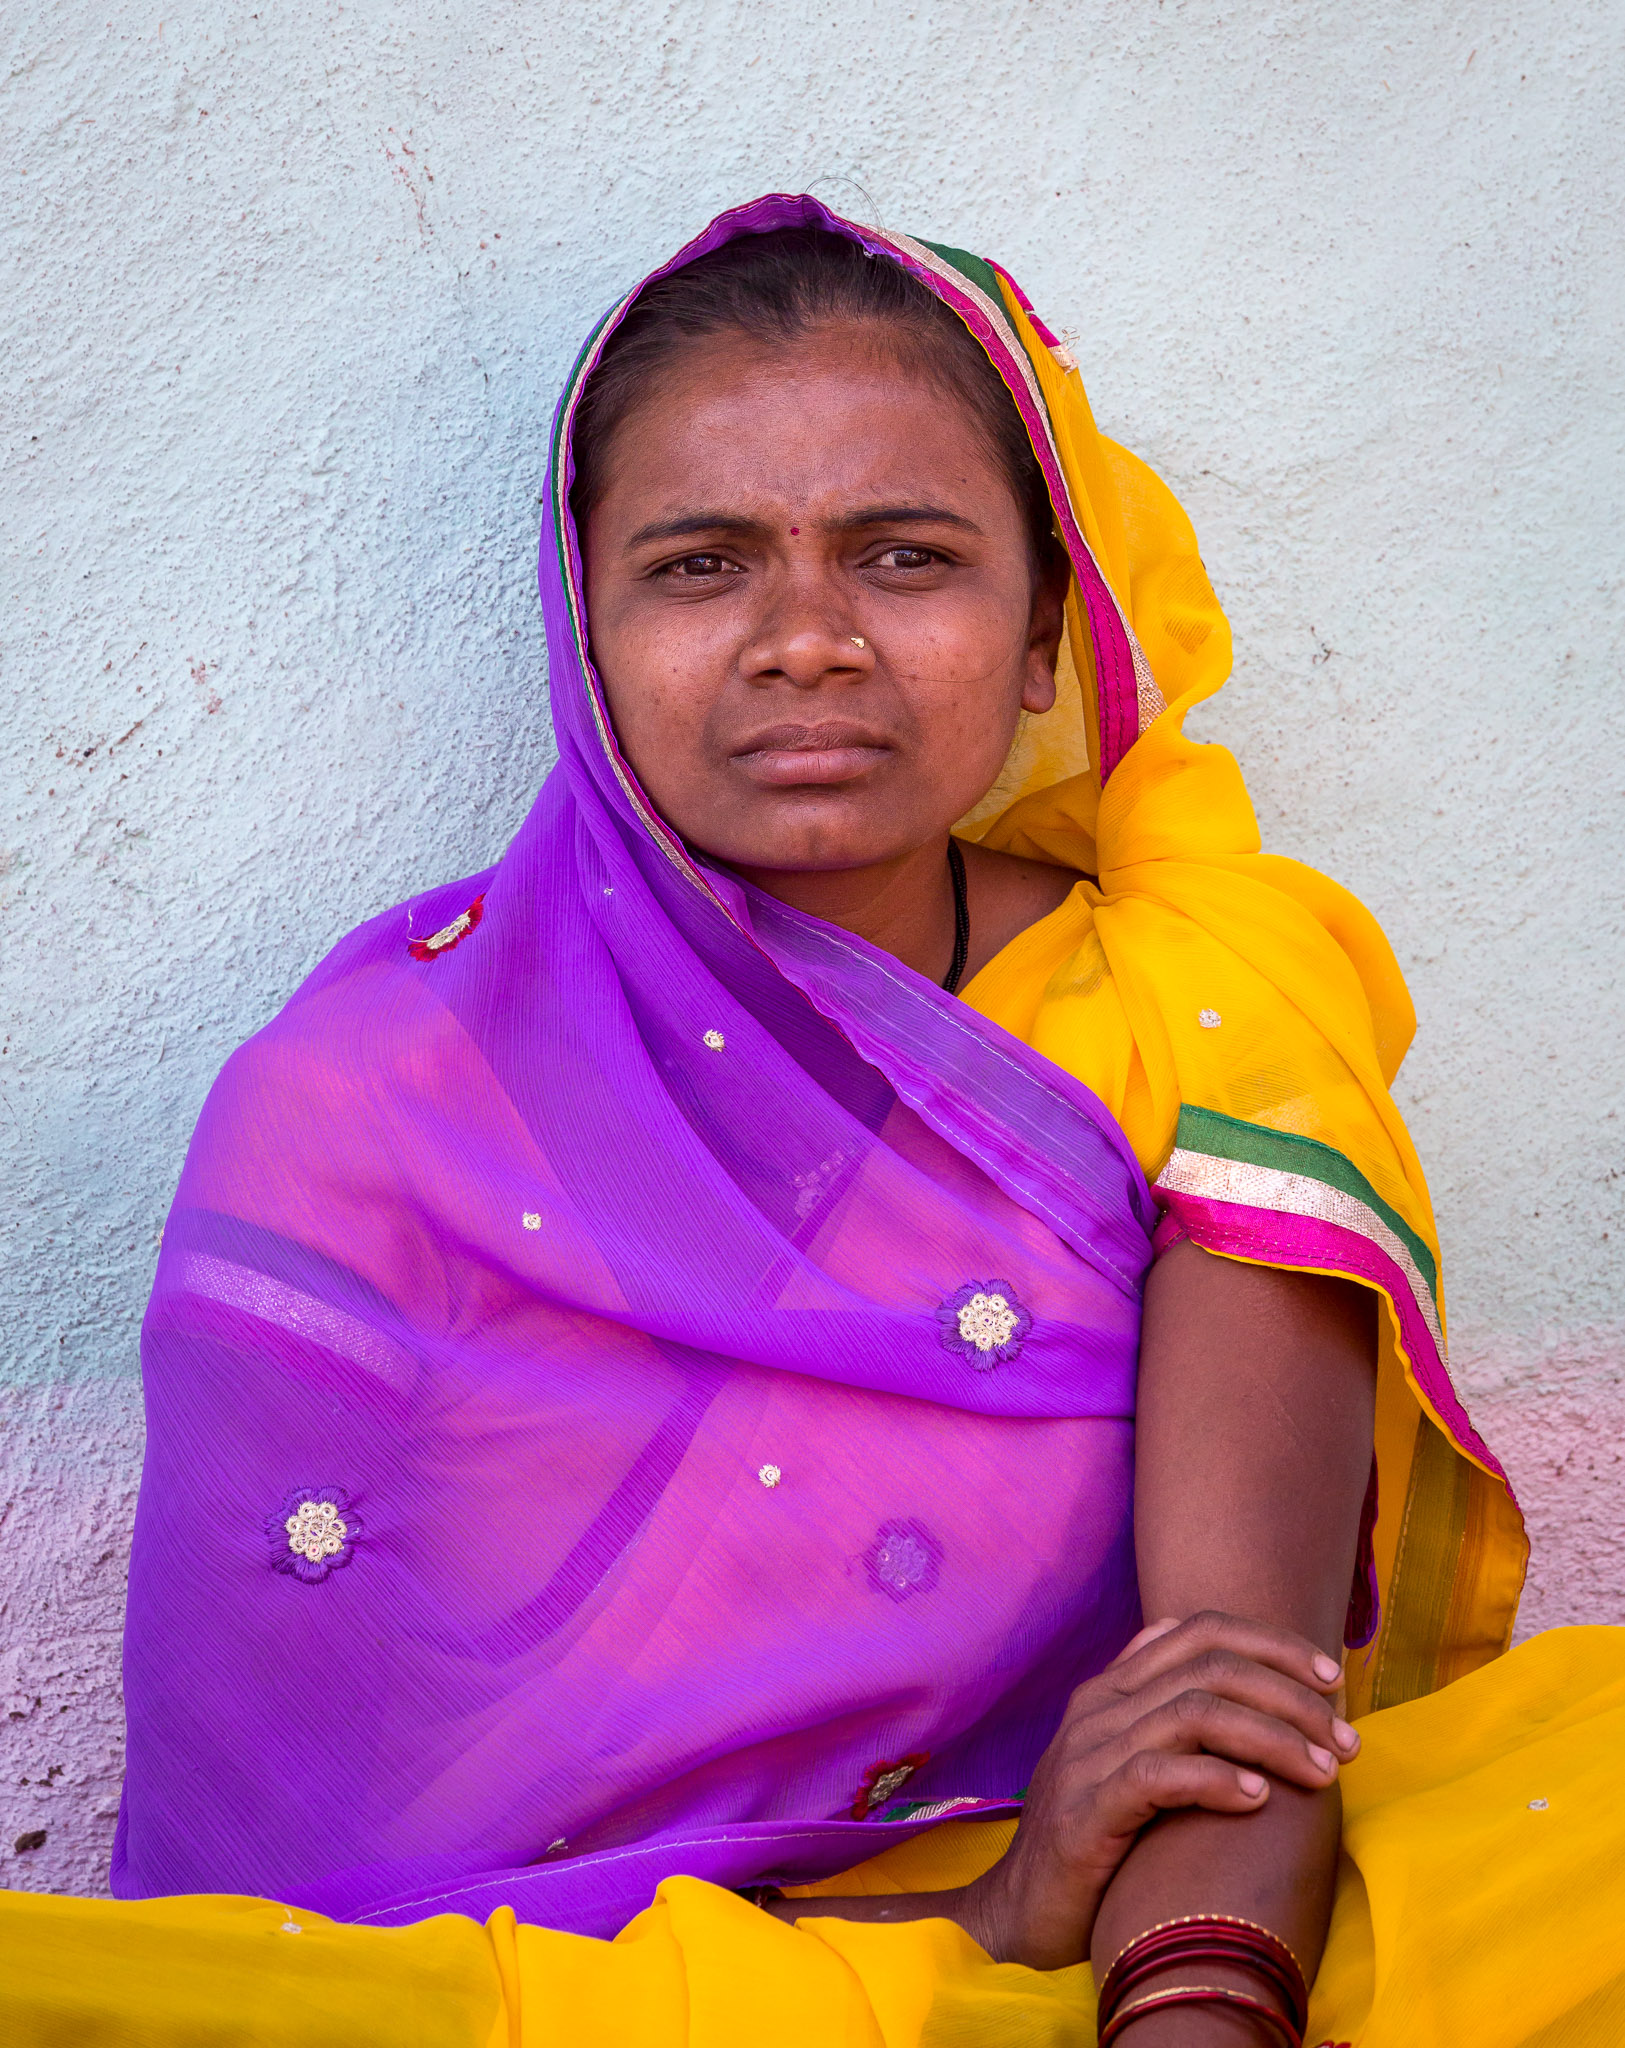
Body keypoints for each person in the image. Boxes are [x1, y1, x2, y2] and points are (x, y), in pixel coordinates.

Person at [5, 194, 1623, 2047]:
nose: (805, 640)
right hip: (559, 1995)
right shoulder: (365, 1102)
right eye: (700, 567)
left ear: (1044, 638)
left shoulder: (1193, 1008)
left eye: (904, 557)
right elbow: (302, 1885)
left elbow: (1229, 1704)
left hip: (1122, 1927)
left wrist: (1152, 1995)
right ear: (583, 634)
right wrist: (989, 1900)